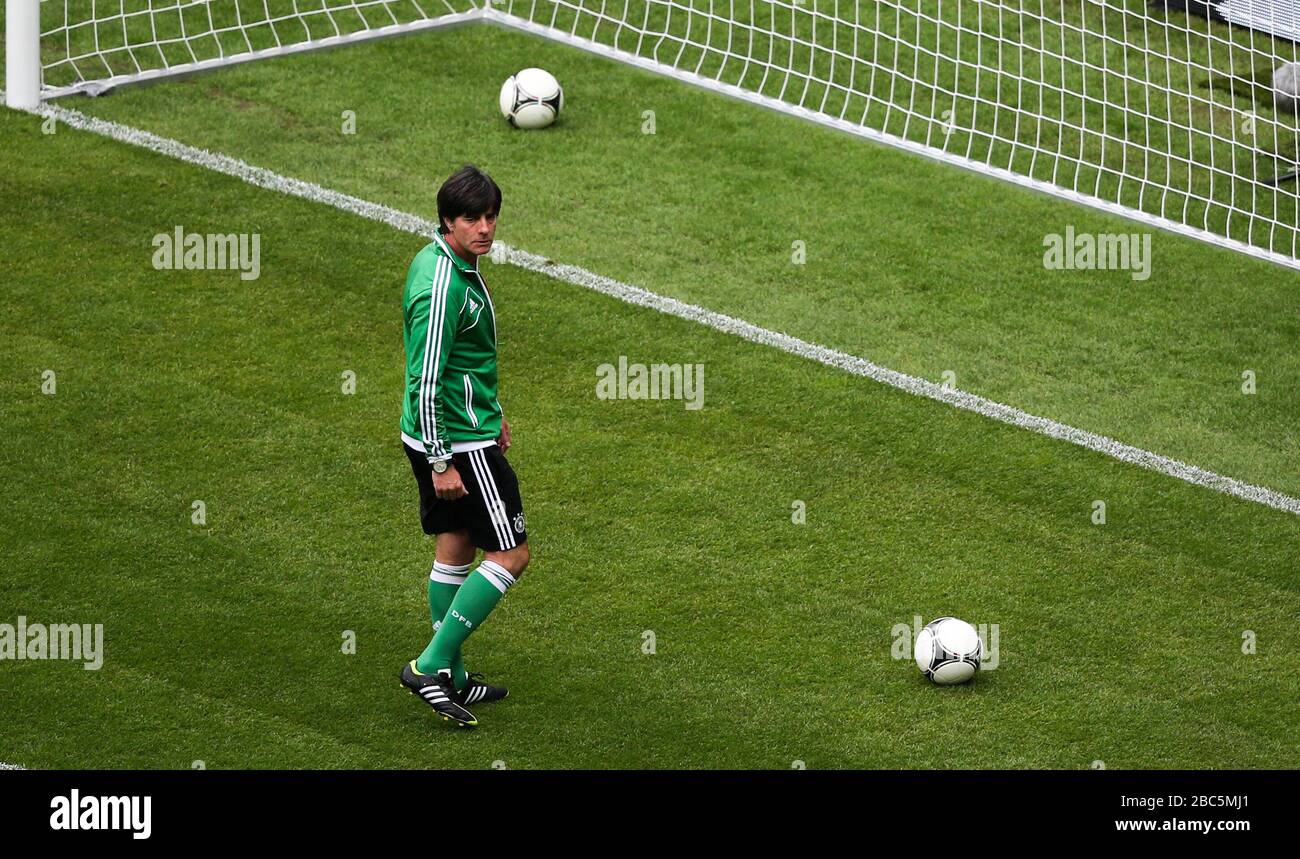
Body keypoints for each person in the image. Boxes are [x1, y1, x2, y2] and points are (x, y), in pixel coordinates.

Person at [397, 165, 530, 728]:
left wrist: (491, 413)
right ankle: (428, 665)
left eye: (491, 216)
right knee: (511, 554)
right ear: (446, 220)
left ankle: (450, 673)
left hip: (459, 429)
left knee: (454, 546)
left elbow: (464, 365)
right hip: (456, 443)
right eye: (471, 218)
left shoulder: (444, 262)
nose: (485, 228)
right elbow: (426, 376)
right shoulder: (443, 285)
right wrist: (441, 459)